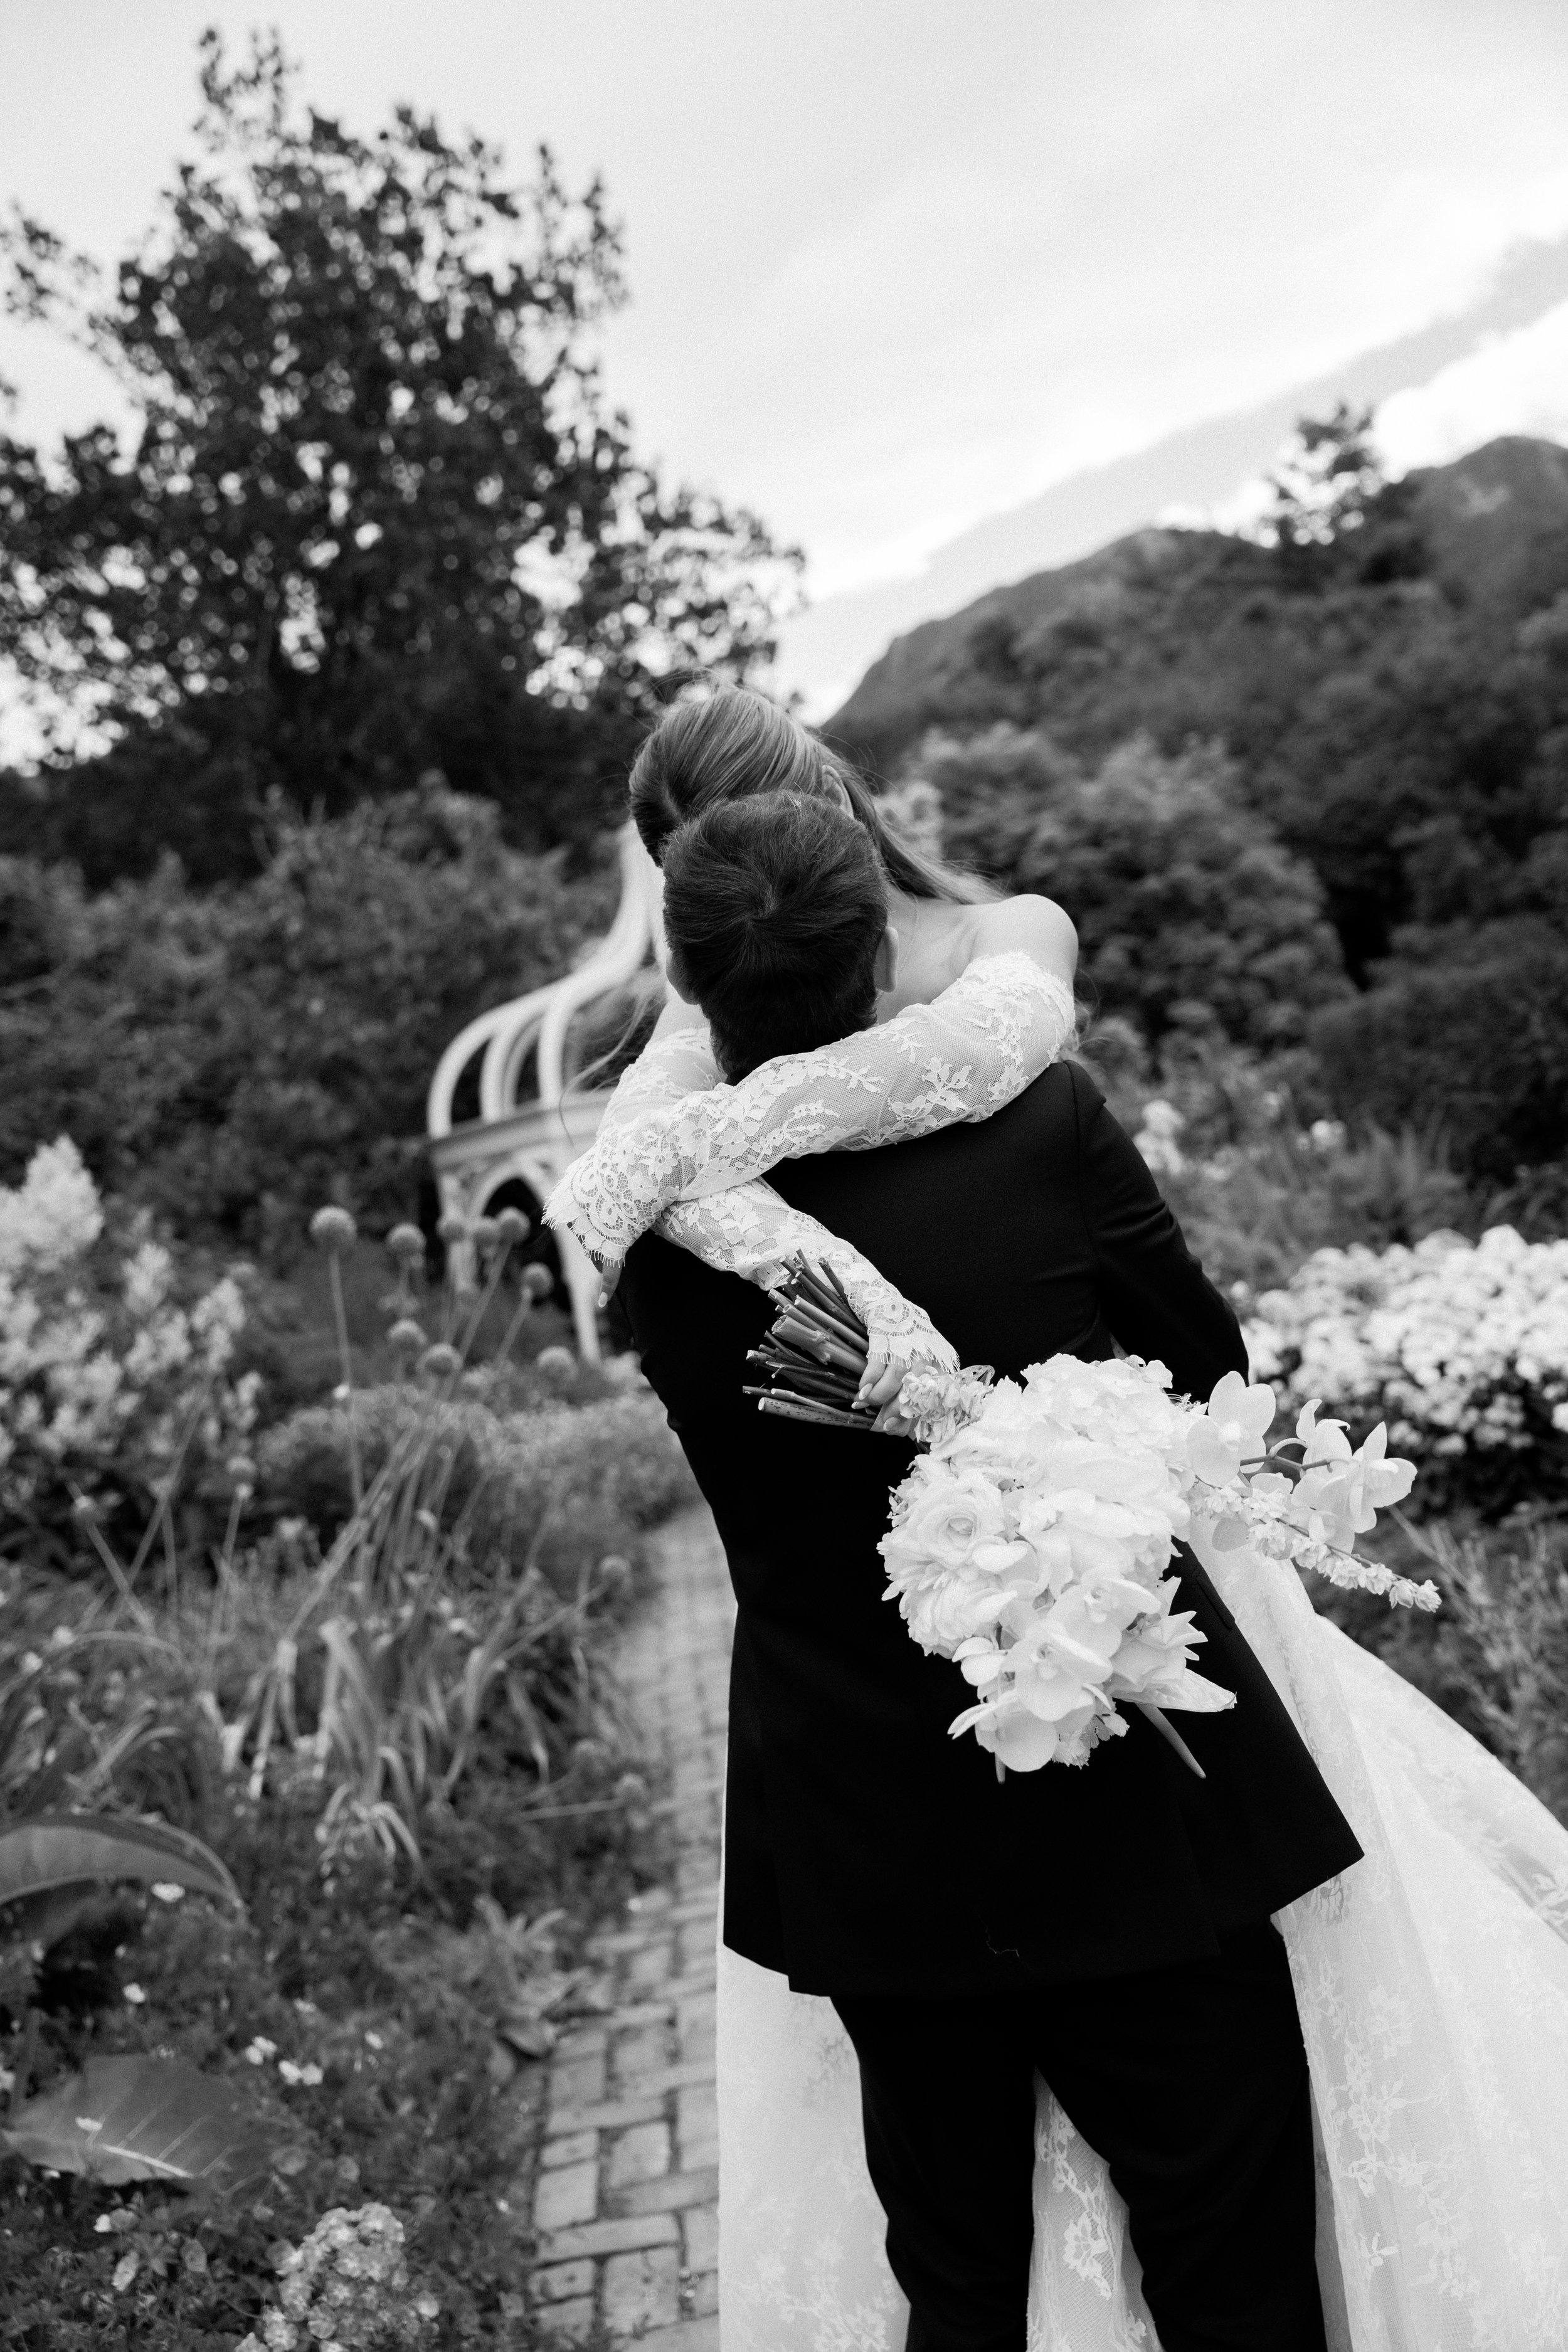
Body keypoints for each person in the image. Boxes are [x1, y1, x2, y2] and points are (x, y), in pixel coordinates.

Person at [583, 709, 1568, 2349]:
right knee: (1227, 2252)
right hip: (1129, 1791)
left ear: (689, 978)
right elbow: (1204, 1380)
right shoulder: (1041, 1123)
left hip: (866, 1833)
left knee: (958, 2280)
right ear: (881, 954)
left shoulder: (657, 1236)